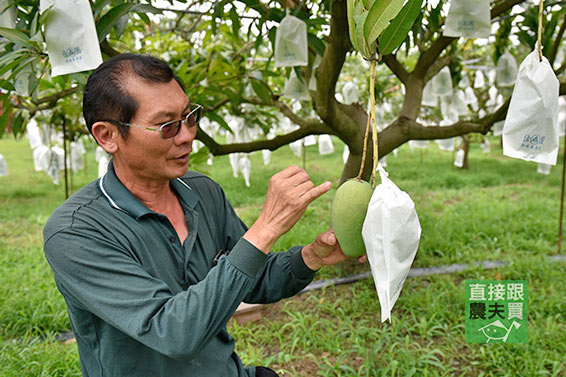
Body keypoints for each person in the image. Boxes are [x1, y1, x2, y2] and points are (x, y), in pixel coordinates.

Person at [43, 53, 360, 377]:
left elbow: (253, 277)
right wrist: (266, 228)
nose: (187, 135)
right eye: (167, 125)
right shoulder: (75, 233)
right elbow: (172, 332)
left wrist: (309, 258)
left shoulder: (201, 192)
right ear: (108, 136)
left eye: (189, 116)